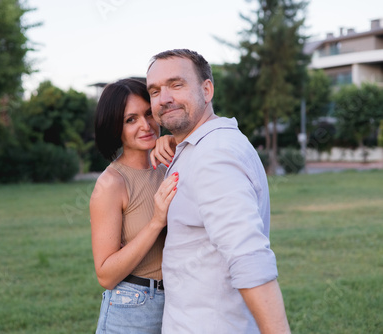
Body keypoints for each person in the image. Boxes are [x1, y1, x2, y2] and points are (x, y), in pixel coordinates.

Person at [146, 49, 291, 333]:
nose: (164, 98)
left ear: (207, 89)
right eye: (155, 91)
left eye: (176, 85)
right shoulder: (200, 147)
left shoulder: (214, 154)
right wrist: (172, 146)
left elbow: (248, 256)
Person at [90, 78, 178, 334]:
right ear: (115, 127)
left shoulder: (170, 164)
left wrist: (176, 142)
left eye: (149, 113)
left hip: (179, 301)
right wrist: (156, 222)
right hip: (133, 307)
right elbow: (105, 276)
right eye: (131, 120)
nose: (145, 125)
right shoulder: (111, 184)